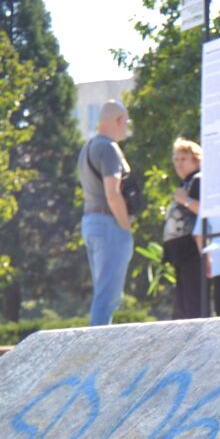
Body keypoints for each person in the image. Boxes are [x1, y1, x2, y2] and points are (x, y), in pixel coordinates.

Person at [79, 100, 134, 326]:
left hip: (91, 221)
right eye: (126, 123)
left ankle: (96, 347)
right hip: (109, 224)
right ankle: (97, 354)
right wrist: (126, 227)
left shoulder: (88, 147)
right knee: (108, 297)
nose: (126, 128)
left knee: (102, 293)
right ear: (119, 120)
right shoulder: (109, 148)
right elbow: (113, 193)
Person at [162, 138, 203, 320]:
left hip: (193, 251)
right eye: (176, 159)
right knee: (183, 305)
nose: (178, 163)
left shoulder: (198, 180)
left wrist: (184, 200)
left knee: (194, 304)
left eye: (183, 159)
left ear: (196, 160)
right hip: (181, 254)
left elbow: (203, 210)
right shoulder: (186, 183)